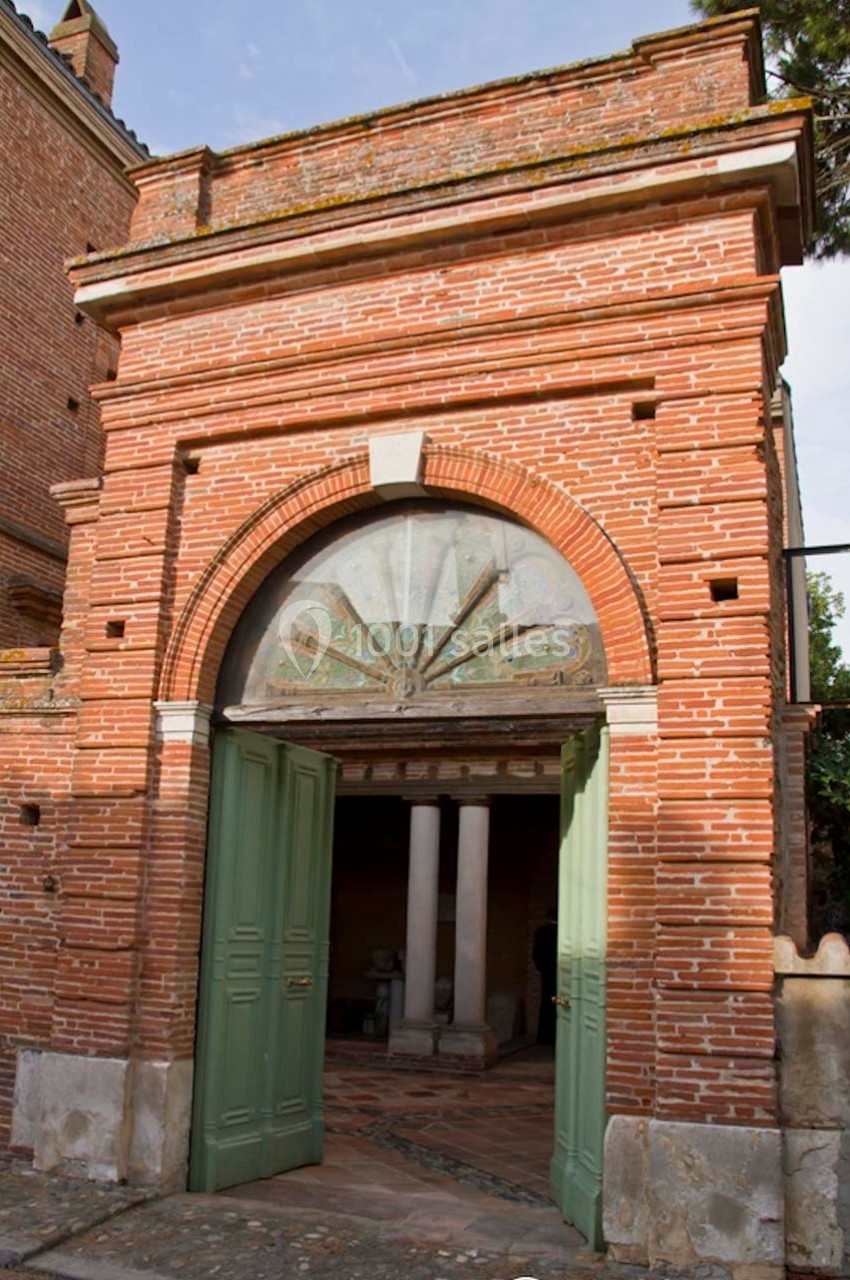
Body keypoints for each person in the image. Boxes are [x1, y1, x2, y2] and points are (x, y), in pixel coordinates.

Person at [532, 905, 558, 1046]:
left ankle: (544, 1036)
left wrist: (542, 968)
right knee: (560, 1001)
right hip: (561, 973)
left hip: (547, 972)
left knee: (546, 1001)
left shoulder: (540, 932)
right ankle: (557, 1034)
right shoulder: (564, 932)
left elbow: (536, 954)